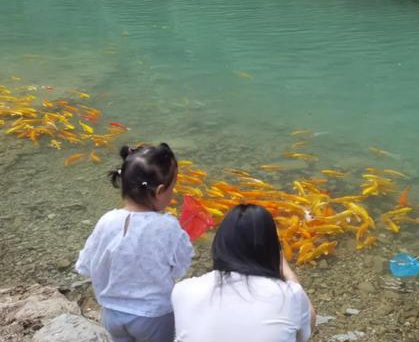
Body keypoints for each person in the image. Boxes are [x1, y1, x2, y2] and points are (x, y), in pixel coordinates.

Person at [76, 143, 193, 342]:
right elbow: (180, 268)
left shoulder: (106, 221)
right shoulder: (168, 226)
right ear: (160, 190)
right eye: (172, 188)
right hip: (154, 316)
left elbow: (86, 264)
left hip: (112, 314)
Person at [172, 204, 316, 342]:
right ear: (271, 250)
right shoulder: (290, 295)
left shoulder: (182, 290)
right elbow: (307, 330)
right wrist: (287, 272)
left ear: (220, 245)